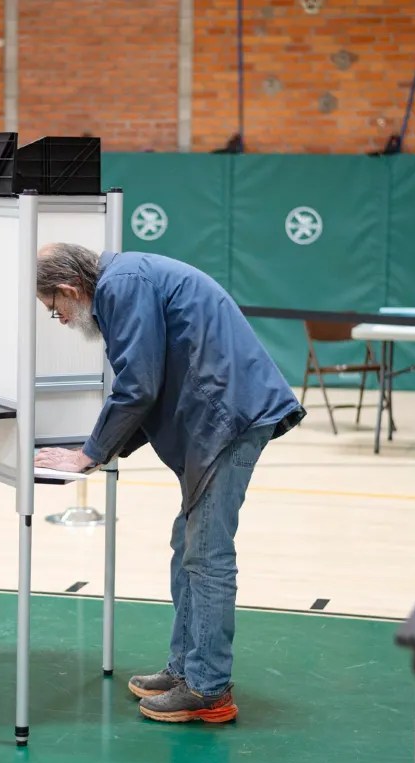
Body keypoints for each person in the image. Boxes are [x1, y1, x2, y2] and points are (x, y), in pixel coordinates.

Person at [34, 243, 304, 724]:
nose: (57, 319)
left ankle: (208, 688)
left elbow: (138, 386)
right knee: (189, 546)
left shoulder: (121, 285)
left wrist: (89, 454)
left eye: (53, 309)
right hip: (223, 414)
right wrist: (95, 454)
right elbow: (148, 387)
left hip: (230, 416)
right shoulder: (124, 279)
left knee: (207, 554)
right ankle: (186, 671)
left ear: (69, 289)